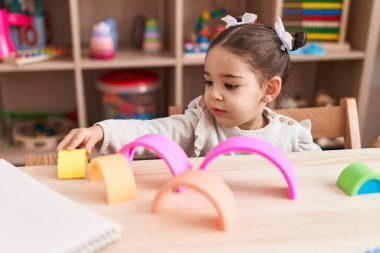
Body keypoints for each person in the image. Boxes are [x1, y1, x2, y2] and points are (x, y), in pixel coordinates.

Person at [57, 13, 321, 157]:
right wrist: (101, 131)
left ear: (269, 90)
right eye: (208, 81)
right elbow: (151, 131)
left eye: (229, 86)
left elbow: (320, 179)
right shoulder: (199, 125)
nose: (212, 95)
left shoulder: (293, 138)